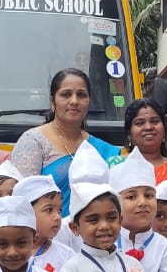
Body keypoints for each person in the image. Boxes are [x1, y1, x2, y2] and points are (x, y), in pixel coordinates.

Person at [10, 68, 122, 215]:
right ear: (52, 101)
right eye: (66, 94)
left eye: (81, 95)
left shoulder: (105, 150)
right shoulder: (33, 142)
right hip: (47, 235)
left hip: (98, 233)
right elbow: (21, 201)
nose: (74, 101)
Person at [118, 99, 167, 183]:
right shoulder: (114, 166)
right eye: (139, 123)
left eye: (155, 121)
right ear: (129, 134)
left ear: (164, 131)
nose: (148, 127)